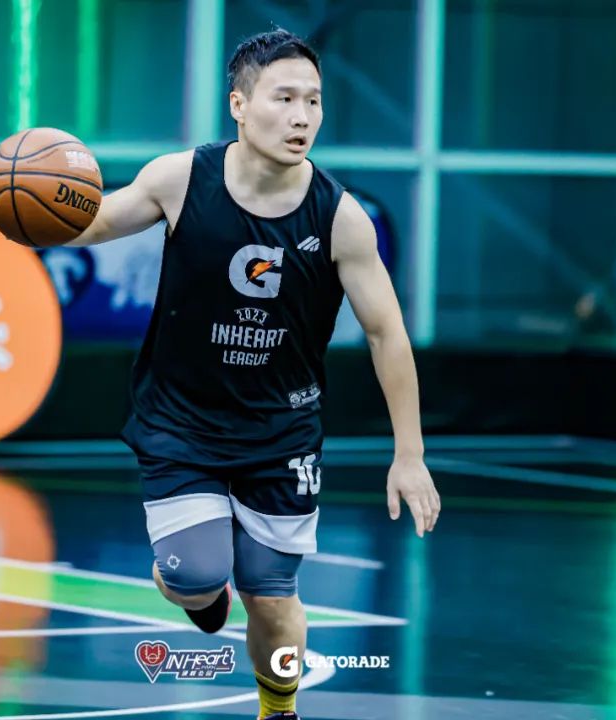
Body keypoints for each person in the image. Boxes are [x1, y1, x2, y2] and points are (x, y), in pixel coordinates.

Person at [68, 28, 441, 720]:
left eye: (313, 101)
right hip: (181, 422)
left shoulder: (340, 217)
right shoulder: (180, 180)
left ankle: (279, 710)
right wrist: (27, 211)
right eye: (283, 98)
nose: (302, 117)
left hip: (281, 432)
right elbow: (93, 225)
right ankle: (197, 589)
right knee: (195, 576)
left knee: (271, 594)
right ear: (239, 105)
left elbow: (387, 334)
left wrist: (409, 454)